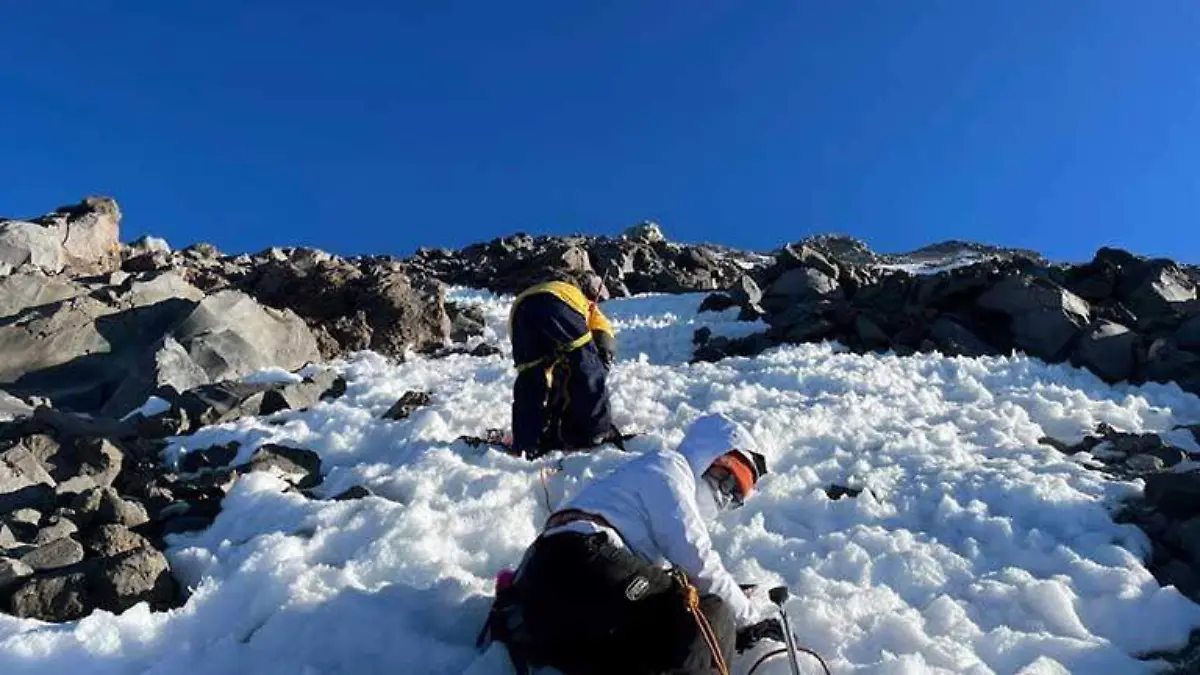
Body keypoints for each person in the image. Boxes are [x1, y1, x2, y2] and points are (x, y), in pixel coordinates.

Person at [479, 413, 784, 675]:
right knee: (710, 613)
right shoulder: (670, 468)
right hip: (584, 557)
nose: (725, 496)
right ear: (707, 454)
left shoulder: (628, 494)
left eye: (737, 498)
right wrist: (745, 618)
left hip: (543, 591)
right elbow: (697, 559)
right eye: (727, 480)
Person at [508, 270, 619, 459]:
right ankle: (596, 431)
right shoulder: (584, 302)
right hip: (556, 304)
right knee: (588, 365)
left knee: (530, 379)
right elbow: (602, 335)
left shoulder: (535, 292)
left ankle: (527, 442)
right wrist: (601, 361)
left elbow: (543, 371)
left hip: (519, 312)